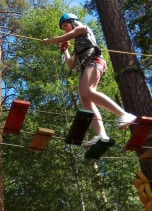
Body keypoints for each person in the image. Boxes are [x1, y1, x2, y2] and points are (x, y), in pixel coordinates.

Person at [43, 13, 137, 147]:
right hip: (86, 66)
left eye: (65, 26)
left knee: (88, 90)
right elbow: (70, 64)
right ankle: (101, 135)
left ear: (73, 22)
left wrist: (49, 40)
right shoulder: (78, 46)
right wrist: (65, 51)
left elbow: (63, 38)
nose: (65, 29)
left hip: (95, 61)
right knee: (85, 99)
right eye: (63, 28)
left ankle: (123, 114)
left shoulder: (83, 29)